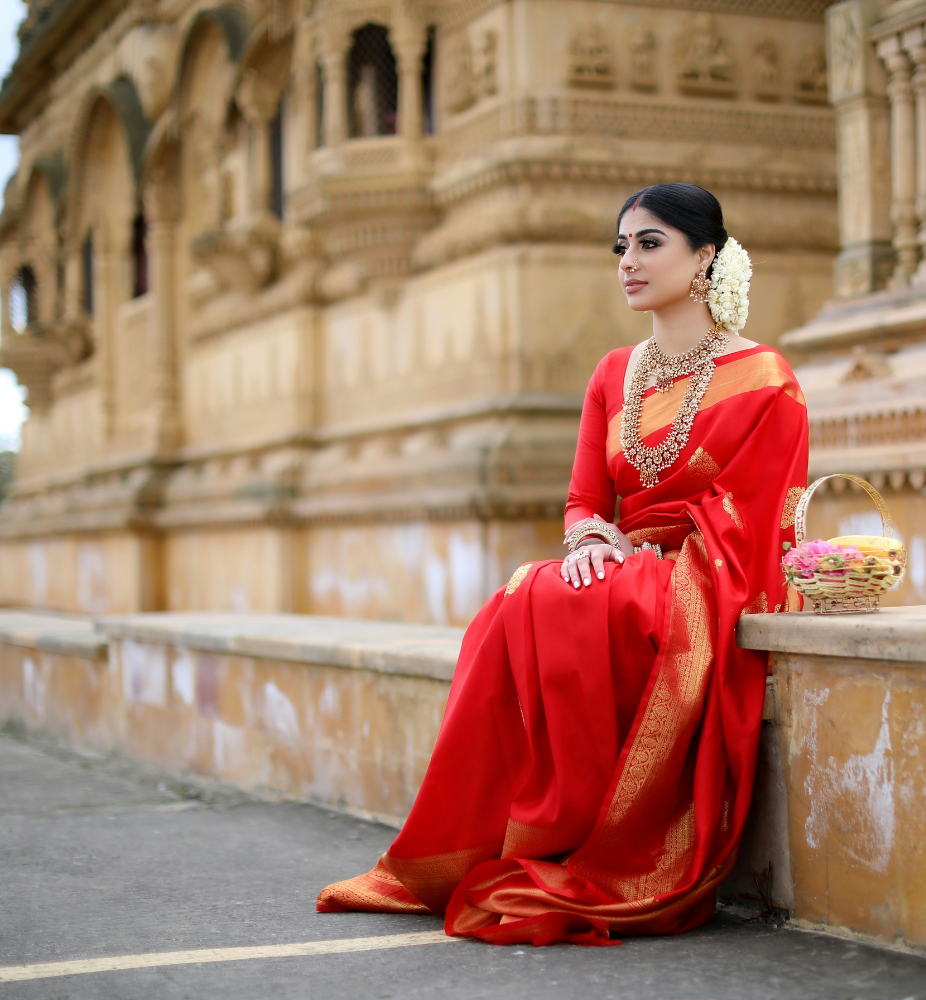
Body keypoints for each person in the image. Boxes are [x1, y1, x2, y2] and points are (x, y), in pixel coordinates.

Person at [315, 183, 810, 946]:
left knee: (589, 600)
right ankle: (496, 840)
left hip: (707, 572)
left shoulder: (766, 378)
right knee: (527, 594)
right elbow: (584, 500)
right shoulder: (615, 372)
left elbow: (760, 514)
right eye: (621, 248)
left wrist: (645, 552)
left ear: (704, 255)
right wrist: (590, 542)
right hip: (623, 563)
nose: (629, 263)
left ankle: (586, 838)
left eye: (650, 244)